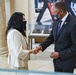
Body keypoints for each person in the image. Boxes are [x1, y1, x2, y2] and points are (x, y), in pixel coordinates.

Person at [33, 2, 76, 73]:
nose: (53, 16)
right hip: (57, 61)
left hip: (68, 62)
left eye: (54, 13)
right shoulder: (57, 21)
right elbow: (51, 37)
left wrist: (59, 54)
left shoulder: (73, 23)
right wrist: (41, 46)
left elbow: (75, 47)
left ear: (61, 11)